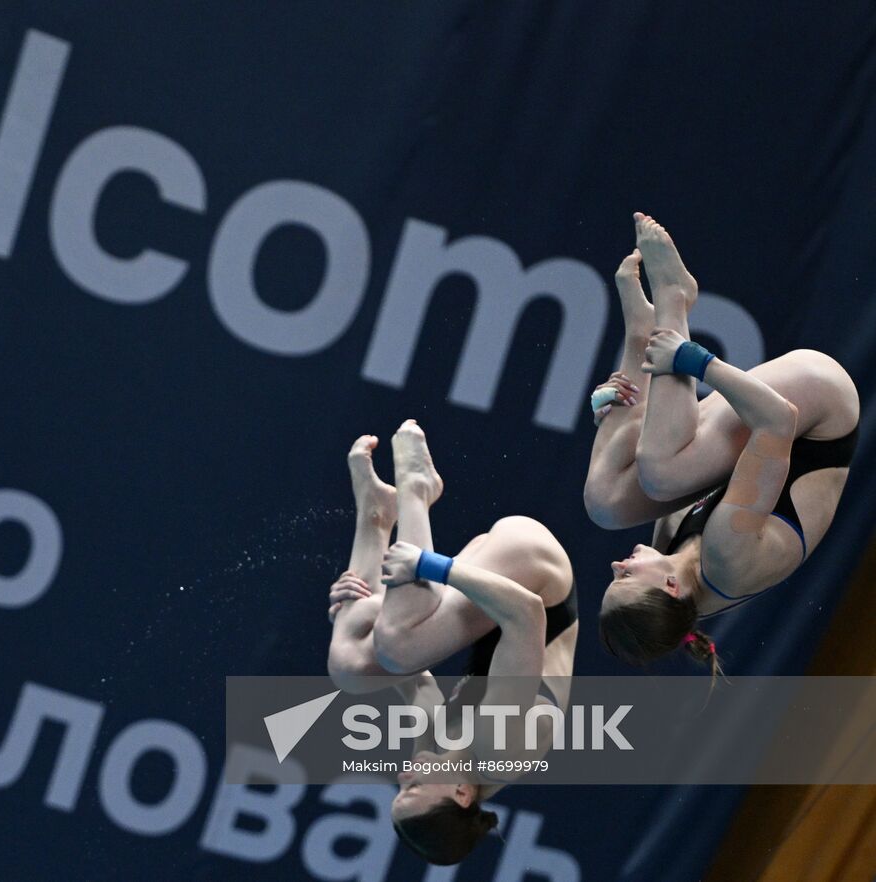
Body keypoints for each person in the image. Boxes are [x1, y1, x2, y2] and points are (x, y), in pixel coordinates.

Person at [584, 214, 860, 669]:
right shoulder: (727, 555)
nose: (616, 567)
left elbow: (671, 438)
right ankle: (674, 301)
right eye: (625, 579)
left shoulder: (677, 563)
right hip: (820, 405)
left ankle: (641, 334)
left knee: (605, 501)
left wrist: (619, 409)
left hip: (762, 431)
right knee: (662, 472)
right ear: (670, 588)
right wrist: (693, 359)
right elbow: (777, 420)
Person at [325, 421, 577, 865]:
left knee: (351, 667)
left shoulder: (438, 751)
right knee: (397, 644)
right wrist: (431, 565)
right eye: (413, 787)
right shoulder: (500, 749)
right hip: (536, 568)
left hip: (489, 581)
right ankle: (415, 492)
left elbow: (413, 681)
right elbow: (527, 616)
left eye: (401, 787)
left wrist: (352, 613)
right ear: (462, 794)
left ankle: (376, 517)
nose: (403, 773)